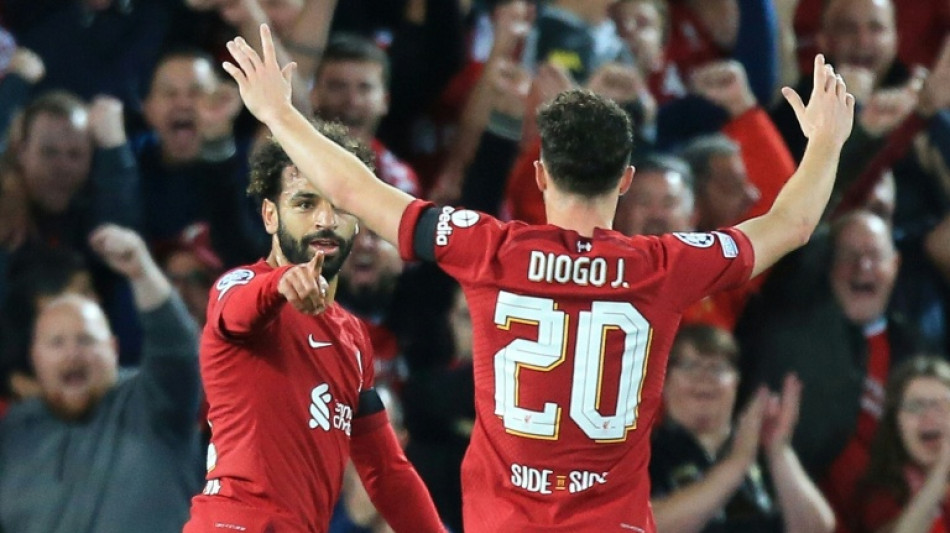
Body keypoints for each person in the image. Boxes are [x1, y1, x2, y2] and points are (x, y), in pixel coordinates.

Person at [222, 24, 853, 531]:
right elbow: (792, 223)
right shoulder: (666, 266)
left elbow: (354, 189)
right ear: (626, 181)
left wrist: (278, 112)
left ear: (543, 174)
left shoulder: (488, 248)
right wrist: (825, 141)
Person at [182, 120, 443, 533]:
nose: (325, 219)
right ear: (270, 216)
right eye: (305, 204)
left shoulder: (353, 338)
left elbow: (387, 472)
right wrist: (280, 284)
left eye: (340, 205)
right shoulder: (239, 287)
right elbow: (240, 310)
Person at [0, 224, 203, 533]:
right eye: (56, 343)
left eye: (86, 340)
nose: (72, 354)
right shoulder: (17, 431)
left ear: (113, 349)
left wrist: (142, 272)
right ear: (35, 358)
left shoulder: (155, 403)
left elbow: (176, 349)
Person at [650, 324, 835, 533]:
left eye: (717, 368)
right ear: (664, 381)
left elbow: (816, 528)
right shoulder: (644, 455)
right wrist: (737, 463)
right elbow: (649, 525)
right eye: (689, 366)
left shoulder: (762, 456)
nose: (704, 377)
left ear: (736, 382)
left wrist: (778, 450)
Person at [853, 356, 950, 533]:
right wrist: (940, 472)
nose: (929, 417)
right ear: (895, 423)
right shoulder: (881, 493)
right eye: (915, 407)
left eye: (942, 406)